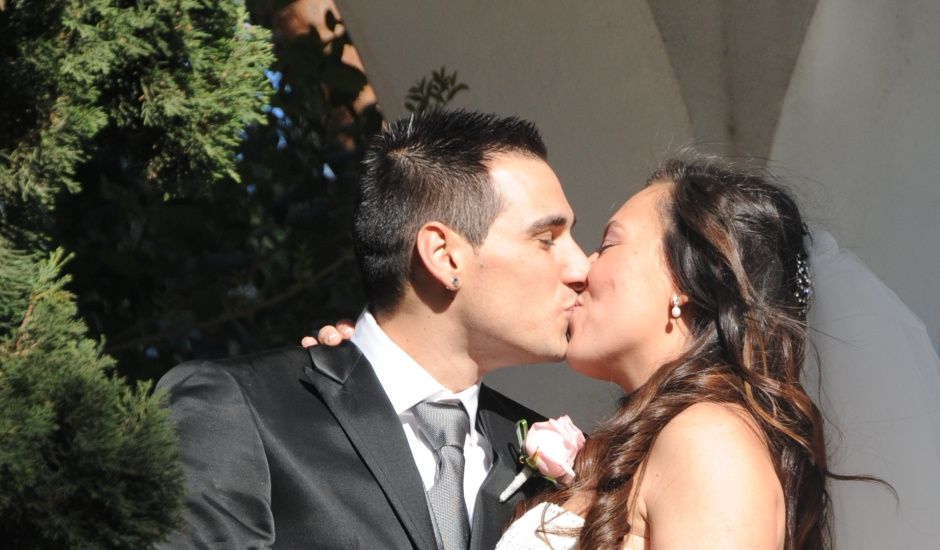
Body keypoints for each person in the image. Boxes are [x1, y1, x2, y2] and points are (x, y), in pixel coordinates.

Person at [156, 109, 589, 549]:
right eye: (547, 239)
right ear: (444, 255)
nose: (580, 266)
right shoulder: (241, 407)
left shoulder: (571, 470)